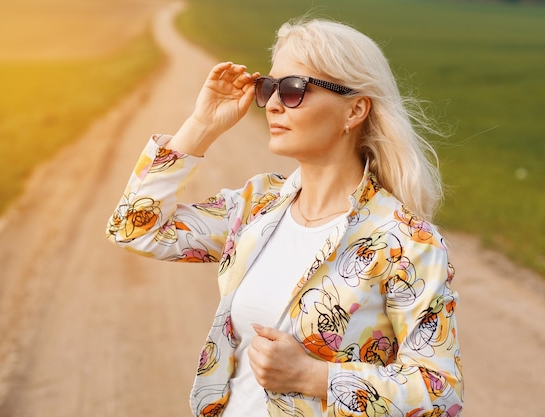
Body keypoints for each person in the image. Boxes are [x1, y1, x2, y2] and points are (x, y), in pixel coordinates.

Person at [106, 17, 463, 417]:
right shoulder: (257, 205)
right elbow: (136, 229)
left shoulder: (406, 240)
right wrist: (202, 125)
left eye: (294, 89)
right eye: (268, 87)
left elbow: (440, 395)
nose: (273, 103)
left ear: (355, 110)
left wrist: (313, 376)